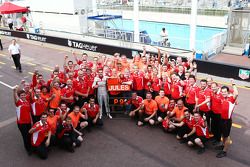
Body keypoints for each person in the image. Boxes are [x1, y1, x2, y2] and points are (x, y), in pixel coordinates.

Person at [216, 80, 238, 158]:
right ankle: (223, 145)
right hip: (221, 119)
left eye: (225, 92)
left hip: (227, 121)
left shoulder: (231, 98)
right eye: (222, 92)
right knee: (223, 134)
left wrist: (233, 83)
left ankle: (224, 151)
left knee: (227, 136)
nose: (223, 93)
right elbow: (218, 90)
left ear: (228, 92)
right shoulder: (222, 96)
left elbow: (236, 93)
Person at [13, 86, 32, 155]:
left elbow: (29, 112)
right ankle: (28, 149)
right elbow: (15, 99)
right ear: (19, 96)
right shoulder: (18, 102)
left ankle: (31, 146)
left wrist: (31, 120)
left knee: (29, 135)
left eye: (24, 95)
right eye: (21, 95)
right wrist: (14, 91)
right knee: (25, 136)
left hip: (28, 121)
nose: (23, 96)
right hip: (21, 123)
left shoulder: (27, 102)